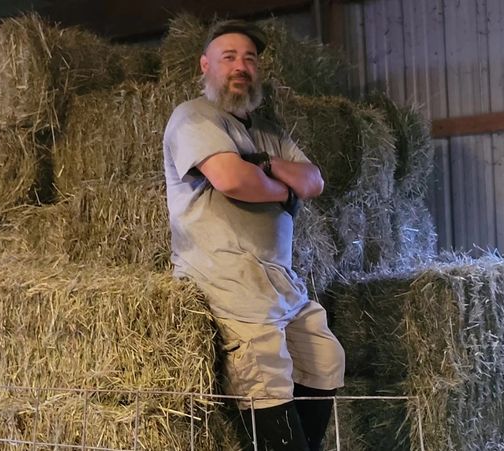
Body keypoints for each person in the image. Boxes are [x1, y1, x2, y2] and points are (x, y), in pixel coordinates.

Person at [163, 19, 345, 451]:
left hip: (278, 279)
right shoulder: (194, 116)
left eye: (249, 58)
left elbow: (314, 181)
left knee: (324, 357)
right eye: (229, 57)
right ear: (205, 65)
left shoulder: (268, 129)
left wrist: (263, 164)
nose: (240, 66)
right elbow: (230, 178)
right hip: (226, 276)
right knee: (266, 378)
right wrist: (282, 186)